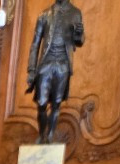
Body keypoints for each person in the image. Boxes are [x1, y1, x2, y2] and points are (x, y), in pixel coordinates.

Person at [26, 0, 85, 144]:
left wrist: (78, 33)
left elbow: (79, 41)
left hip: (63, 64)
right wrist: (32, 69)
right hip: (46, 63)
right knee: (41, 102)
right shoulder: (44, 14)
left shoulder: (76, 13)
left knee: (57, 103)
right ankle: (42, 134)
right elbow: (35, 44)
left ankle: (50, 137)